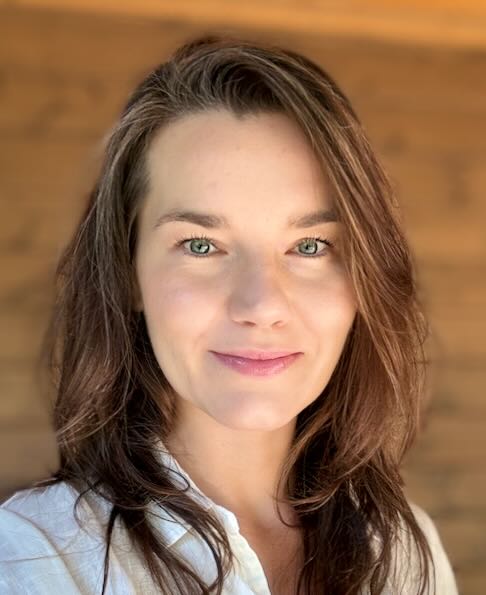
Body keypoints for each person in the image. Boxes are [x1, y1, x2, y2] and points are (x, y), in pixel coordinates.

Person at [0, 34, 459, 595]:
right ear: (128, 272)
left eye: (310, 246)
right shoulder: (25, 560)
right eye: (200, 246)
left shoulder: (404, 550)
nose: (261, 305)